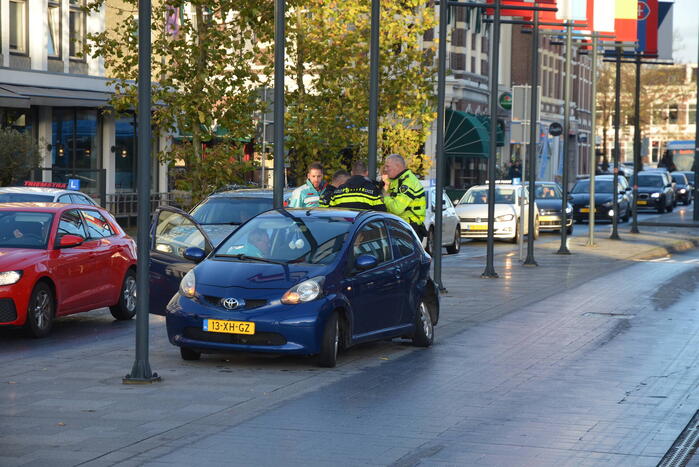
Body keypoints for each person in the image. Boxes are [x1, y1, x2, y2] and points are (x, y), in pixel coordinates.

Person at [381, 154, 426, 240]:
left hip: (408, 228)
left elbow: (397, 208)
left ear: (398, 166)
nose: (385, 170)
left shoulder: (408, 182)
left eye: (387, 166)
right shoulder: (396, 180)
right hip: (399, 226)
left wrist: (385, 196)